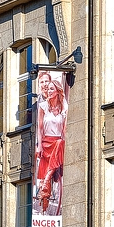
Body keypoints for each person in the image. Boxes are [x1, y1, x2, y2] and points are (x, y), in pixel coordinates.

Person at [33, 71, 68, 216]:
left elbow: (64, 130)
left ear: (58, 91)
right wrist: (39, 145)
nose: (49, 90)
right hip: (46, 142)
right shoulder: (43, 106)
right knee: (44, 183)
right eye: (48, 89)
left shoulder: (63, 107)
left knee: (60, 142)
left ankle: (47, 179)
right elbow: (40, 128)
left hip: (58, 143)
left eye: (52, 89)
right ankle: (44, 209)